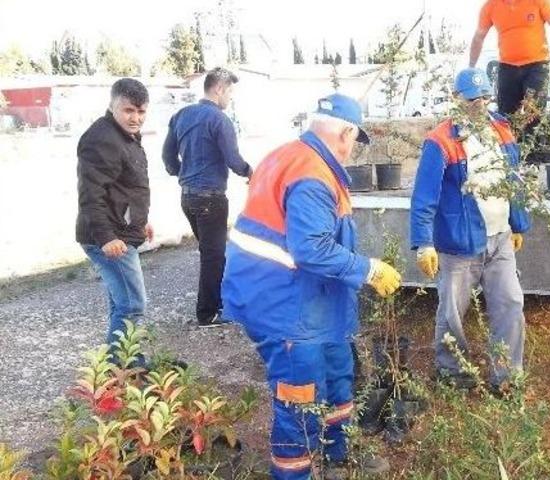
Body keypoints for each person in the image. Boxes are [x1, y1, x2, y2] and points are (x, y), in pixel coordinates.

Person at [221, 93, 400, 480]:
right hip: (283, 306)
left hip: (308, 299)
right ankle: (294, 474)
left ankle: (340, 453)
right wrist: (369, 269)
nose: (353, 150)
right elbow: (312, 249)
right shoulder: (313, 175)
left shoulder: (292, 156)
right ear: (346, 131)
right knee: (299, 398)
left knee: (338, 370)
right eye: (355, 140)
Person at [410, 68, 531, 394]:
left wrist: (517, 222)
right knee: (452, 314)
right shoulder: (440, 141)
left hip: (500, 238)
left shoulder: (502, 130)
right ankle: (453, 375)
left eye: (485, 97)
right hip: (458, 242)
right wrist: (423, 242)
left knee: (510, 304)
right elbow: (424, 195)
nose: (480, 104)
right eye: (472, 99)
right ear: (455, 99)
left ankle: (507, 379)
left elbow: (513, 179)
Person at [162, 67, 253, 327]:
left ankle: (221, 302)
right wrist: (252, 173)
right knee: (213, 256)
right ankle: (208, 313)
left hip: (187, 198)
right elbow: (233, 160)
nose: (230, 98)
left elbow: (168, 158)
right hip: (211, 199)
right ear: (219, 89)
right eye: (230, 92)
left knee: (210, 252)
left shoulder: (180, 115)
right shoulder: (219, 120)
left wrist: (184, 174)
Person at [76, 78, 153, 356]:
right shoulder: (102, 139)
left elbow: (125, 187)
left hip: (122, 230)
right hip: (108, 237)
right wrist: (106, 237)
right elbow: (90, 195)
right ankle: (121, 366)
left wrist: (141, 222)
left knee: (121, 303)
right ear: (113, 106)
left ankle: (122, 365)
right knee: (133, 304)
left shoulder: (124, 136)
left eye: (141, 111)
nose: (136, 118)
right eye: (129, 111)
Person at [468, 0, 550, 116]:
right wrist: (471, 67)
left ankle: (533, 132)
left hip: (536, 66)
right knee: (506, 115)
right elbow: (479, 36)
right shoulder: (490, 6)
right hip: (507, 67)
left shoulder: (539, 2)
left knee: (533, 113)